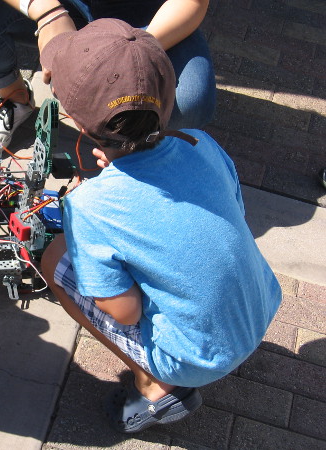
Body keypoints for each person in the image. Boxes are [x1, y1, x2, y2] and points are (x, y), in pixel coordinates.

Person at [38, 19, 282, 433]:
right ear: (169, 97)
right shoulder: (201, 142)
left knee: (54, 259)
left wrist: (85, 223)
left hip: (197, 358)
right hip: (261, 308)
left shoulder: (89, 206)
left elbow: (125, 312)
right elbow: (229, 214)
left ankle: (155, 385)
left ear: (78, 124)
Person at [0, 0, 215, 157]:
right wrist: (47, 12)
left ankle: (138, 148)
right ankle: (14, 99)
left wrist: (136, 54)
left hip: (147, 14)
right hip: (60, 4)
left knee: (188, 103)